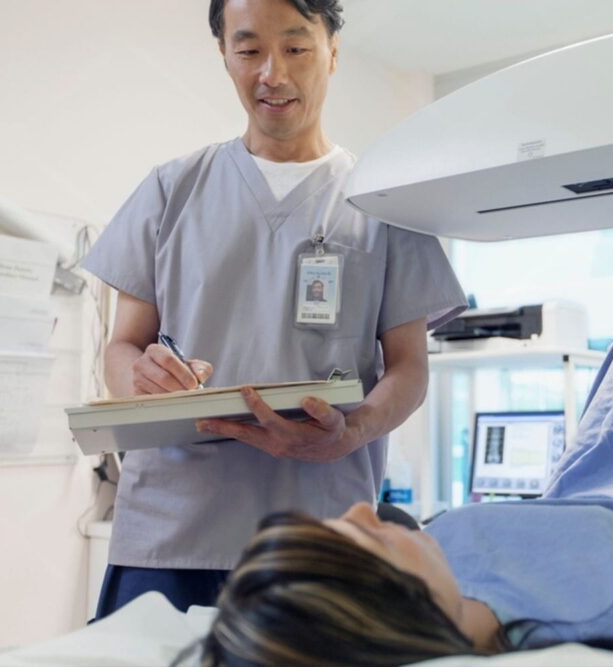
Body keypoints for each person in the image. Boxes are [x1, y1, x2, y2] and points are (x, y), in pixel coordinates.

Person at [199, 300, 613, 666]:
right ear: (397, 618)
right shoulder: (586, 633)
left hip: (587, 489)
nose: (361, 510)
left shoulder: (435, 566)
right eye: (363, 539)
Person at [81, 0, 467, 618]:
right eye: (249, 49)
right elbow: (122, 347)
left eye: (295, 47)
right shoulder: (171, 189)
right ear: (224, 56)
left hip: (322, 536)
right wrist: (140, 377)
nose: (273, 74)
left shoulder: (382, 199)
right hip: (171, 532)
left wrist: (357, 430)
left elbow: (409, 369)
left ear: (333, 51)